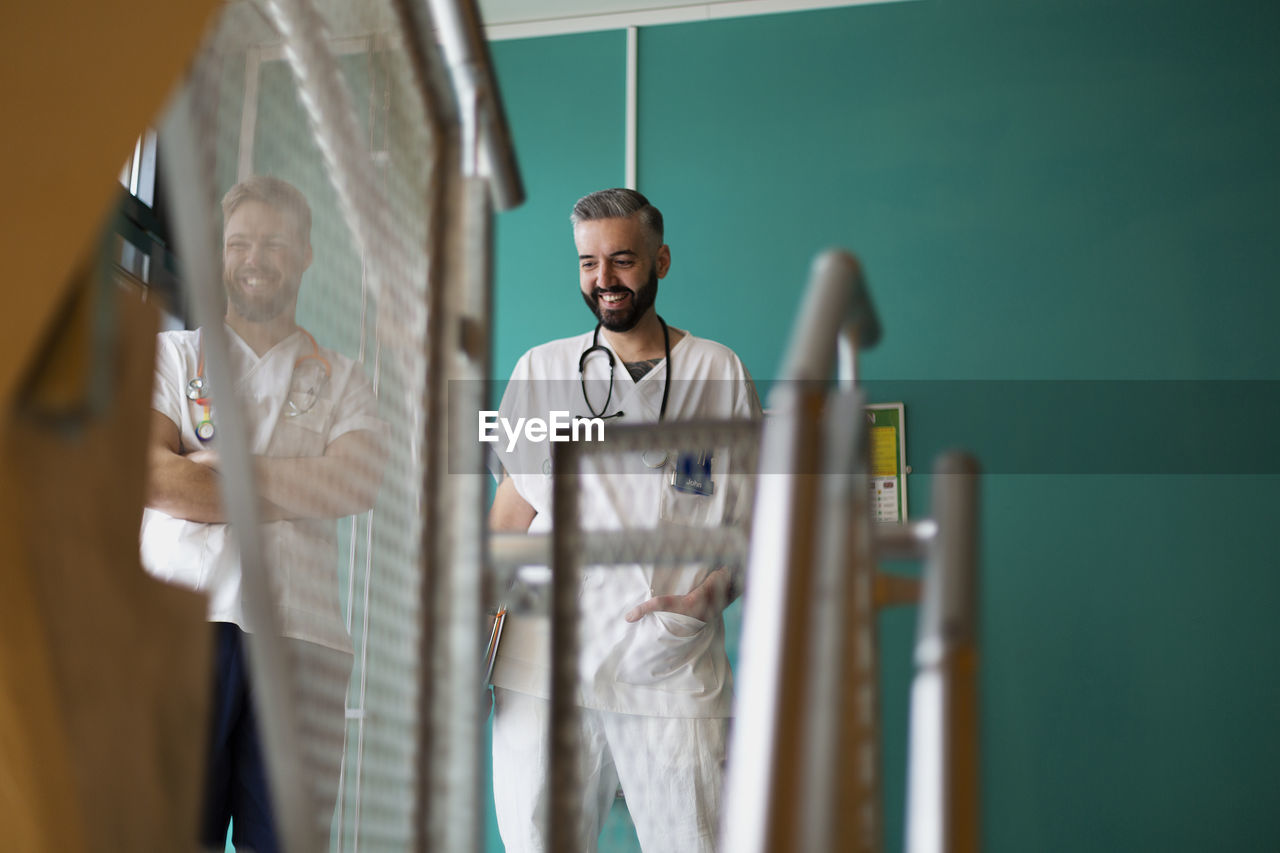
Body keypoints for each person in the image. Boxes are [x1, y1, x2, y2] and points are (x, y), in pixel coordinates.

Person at [489, 188, 761, 852]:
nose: (603, 280)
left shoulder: (717, 371)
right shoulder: (541, 369)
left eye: (621, 259)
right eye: (588, 263)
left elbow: (753, 538)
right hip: (543, 670)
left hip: (669, 662)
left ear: (660, 261)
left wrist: (708, 597)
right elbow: (509, 514)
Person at [140, 175, 387, 852]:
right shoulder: (172, 356)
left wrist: (219, 476)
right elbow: (154, 479)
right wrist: (298, 486)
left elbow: (356, 484)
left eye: (274, 243)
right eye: (239, 242)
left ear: (306, 253)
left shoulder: (343, 377)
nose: (254, 257)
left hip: (303, 642)